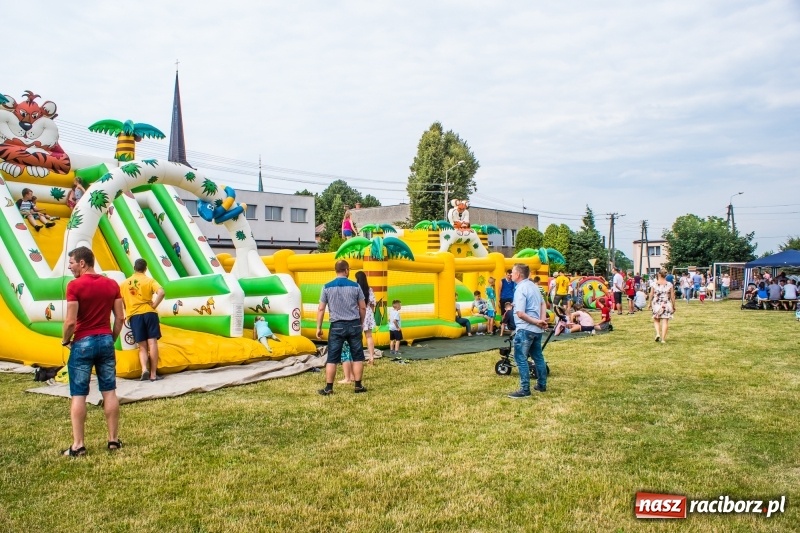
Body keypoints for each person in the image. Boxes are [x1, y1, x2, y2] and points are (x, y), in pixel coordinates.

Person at [61, 246, 125, 456]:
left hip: (82, 342)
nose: (70, 267)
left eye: (71, 263)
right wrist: (110, 339)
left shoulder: (74, 286)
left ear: (82, 263)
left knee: (79, 394)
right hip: (105, 339)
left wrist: (65, 340)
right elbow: (120, 318)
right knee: (109, 391)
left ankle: (78, 445)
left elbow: (71, 322)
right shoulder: (112, 284)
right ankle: (113, 440)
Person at [316, 260, 367, 395]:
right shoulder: (356, 286)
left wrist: (318, 327)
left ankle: (329, 388)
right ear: (346, 270)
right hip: (354, 324)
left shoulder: (327, 287)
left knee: (332, 358)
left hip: (336, 325)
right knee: (357, 356)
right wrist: (361, 323)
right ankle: (358, 385)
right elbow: (362, 307)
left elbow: (321, 309)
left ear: (336, 270)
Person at [507, 263, 548, 398]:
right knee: (538, 357)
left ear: (518, 274)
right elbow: (543, 303)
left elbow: (520, 313)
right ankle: (541, 385)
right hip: (536, 330)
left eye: (512, 272)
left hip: (525, 329)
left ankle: (525, 389)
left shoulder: (521, 289)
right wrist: (541, 320)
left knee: (520, 358)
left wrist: (537, 321)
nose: (511, 274)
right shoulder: (534, 286)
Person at [121, 259, 165, 381]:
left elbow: (122, 300)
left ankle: (144, 369)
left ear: (134, 268)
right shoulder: (149, 281)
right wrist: (154, 305)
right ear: (145, 269)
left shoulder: (124, 284)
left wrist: (128, 310)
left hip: (135, 315)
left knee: (142, 346)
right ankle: (153, 374)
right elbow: (161, 292)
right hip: (149, 313)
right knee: (152, 343)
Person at [647, 269, 676, 344]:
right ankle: (663, 339)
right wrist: (674, 305)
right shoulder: (669, 284)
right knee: (665, 321)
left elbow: (651, 294)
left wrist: (649, 303)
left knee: (656, 320)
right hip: (666, 303)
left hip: (657, 304)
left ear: (659, 274)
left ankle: (657, 333)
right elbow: (672, 296)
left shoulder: (654, 284)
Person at [355, 271, 376, 364]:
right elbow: (372, 304)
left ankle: (358, 357)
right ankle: (371, 357)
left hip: (358, 313)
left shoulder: (355, 288)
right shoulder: (369, 289)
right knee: (369, 336)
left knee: (357, 337)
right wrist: (371, 313)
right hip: (368, 313)